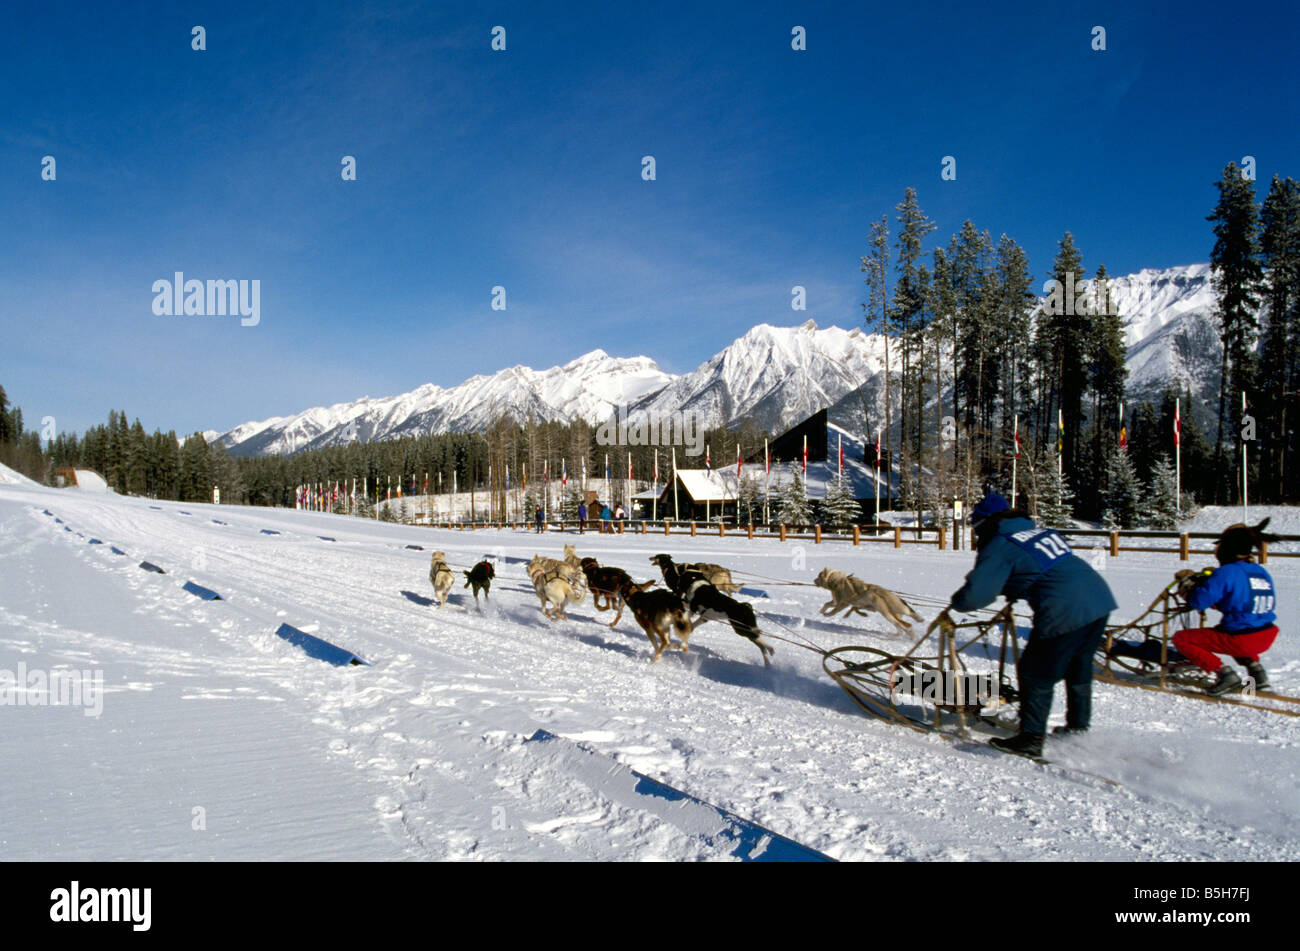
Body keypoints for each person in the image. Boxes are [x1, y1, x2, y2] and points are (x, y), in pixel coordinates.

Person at [940, 491, 1117, 758]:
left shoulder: (1000, 542)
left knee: (1035, 673)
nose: (977, 537)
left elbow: (979, 593)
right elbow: (1037, 568)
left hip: (1064, 609)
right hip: (1098, 600)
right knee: (1077, 669)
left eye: (977, 530)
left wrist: (957, 603)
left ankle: (1031, 739)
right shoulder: (1039, 532)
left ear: (986, 523)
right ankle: (1078, 729)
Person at [1173, 519, 1279, 696]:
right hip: (1266, 633)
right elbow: (1240, 600)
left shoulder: (1227, 572)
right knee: (1232, 630)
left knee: (1182, 638)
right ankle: (1257, 672)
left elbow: (1198, 602)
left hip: (1241, 639)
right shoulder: (1259, 570)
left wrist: (1188, 585)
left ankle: (1224, 674)